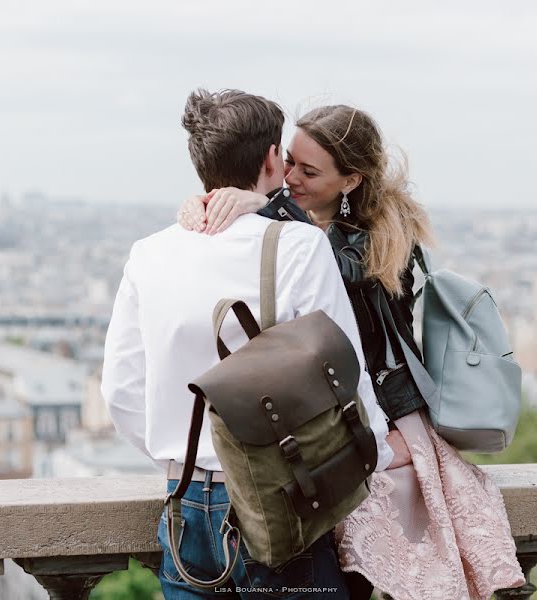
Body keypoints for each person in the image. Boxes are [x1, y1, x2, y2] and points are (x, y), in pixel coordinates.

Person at [177, 104, 526, 599]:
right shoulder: (299, 229)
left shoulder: (376, 243)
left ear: (350, 181)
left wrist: (265, 207)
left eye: (309, 170)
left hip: (381, 427)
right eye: (290, 162)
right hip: (337, 423)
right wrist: (210, 204)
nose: (290, 178)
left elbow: (336, 277)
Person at [101, 89, 405, 600]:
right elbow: (343, 377)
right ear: (271, 158)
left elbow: (120, 391)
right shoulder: (297, 246)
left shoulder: (149, 253)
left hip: (185, 503)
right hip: (281, 499)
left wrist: (182, 462)